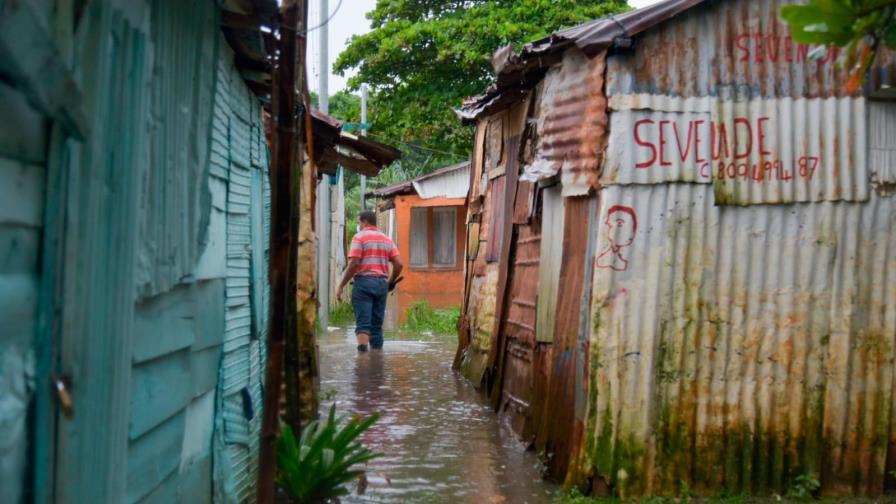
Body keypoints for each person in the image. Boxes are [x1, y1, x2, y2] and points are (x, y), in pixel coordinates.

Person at [336, 210, 403, 351]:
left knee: (363, 324)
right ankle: (377, 364)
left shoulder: (359, 238)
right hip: (381, 285)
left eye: (358, 222)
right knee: (376, 326)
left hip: (363, 284)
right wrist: (390, 281)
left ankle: (363, 363)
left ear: (365, 221)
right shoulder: (386, 239)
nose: (358, 225)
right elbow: (399, 264)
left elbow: (354, 264)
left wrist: (342, 285)